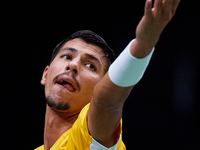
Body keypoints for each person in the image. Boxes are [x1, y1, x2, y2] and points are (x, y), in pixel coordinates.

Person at [35, 0, 180, 149]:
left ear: (100, 87)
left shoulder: (91, 140)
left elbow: (106, 102)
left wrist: (143, 44)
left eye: (90, 66)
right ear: (45, 74)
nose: (73, 65)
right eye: (67, 56)